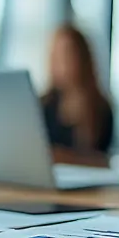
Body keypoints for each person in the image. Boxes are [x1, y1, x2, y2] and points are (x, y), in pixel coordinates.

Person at [41, 24, 114, 167]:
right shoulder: (43, 104)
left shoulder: (101, 108)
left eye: (67, 54)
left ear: (82, 57)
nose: (61, 62)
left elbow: (104, 160)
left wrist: (63, 157)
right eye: (56, 55)